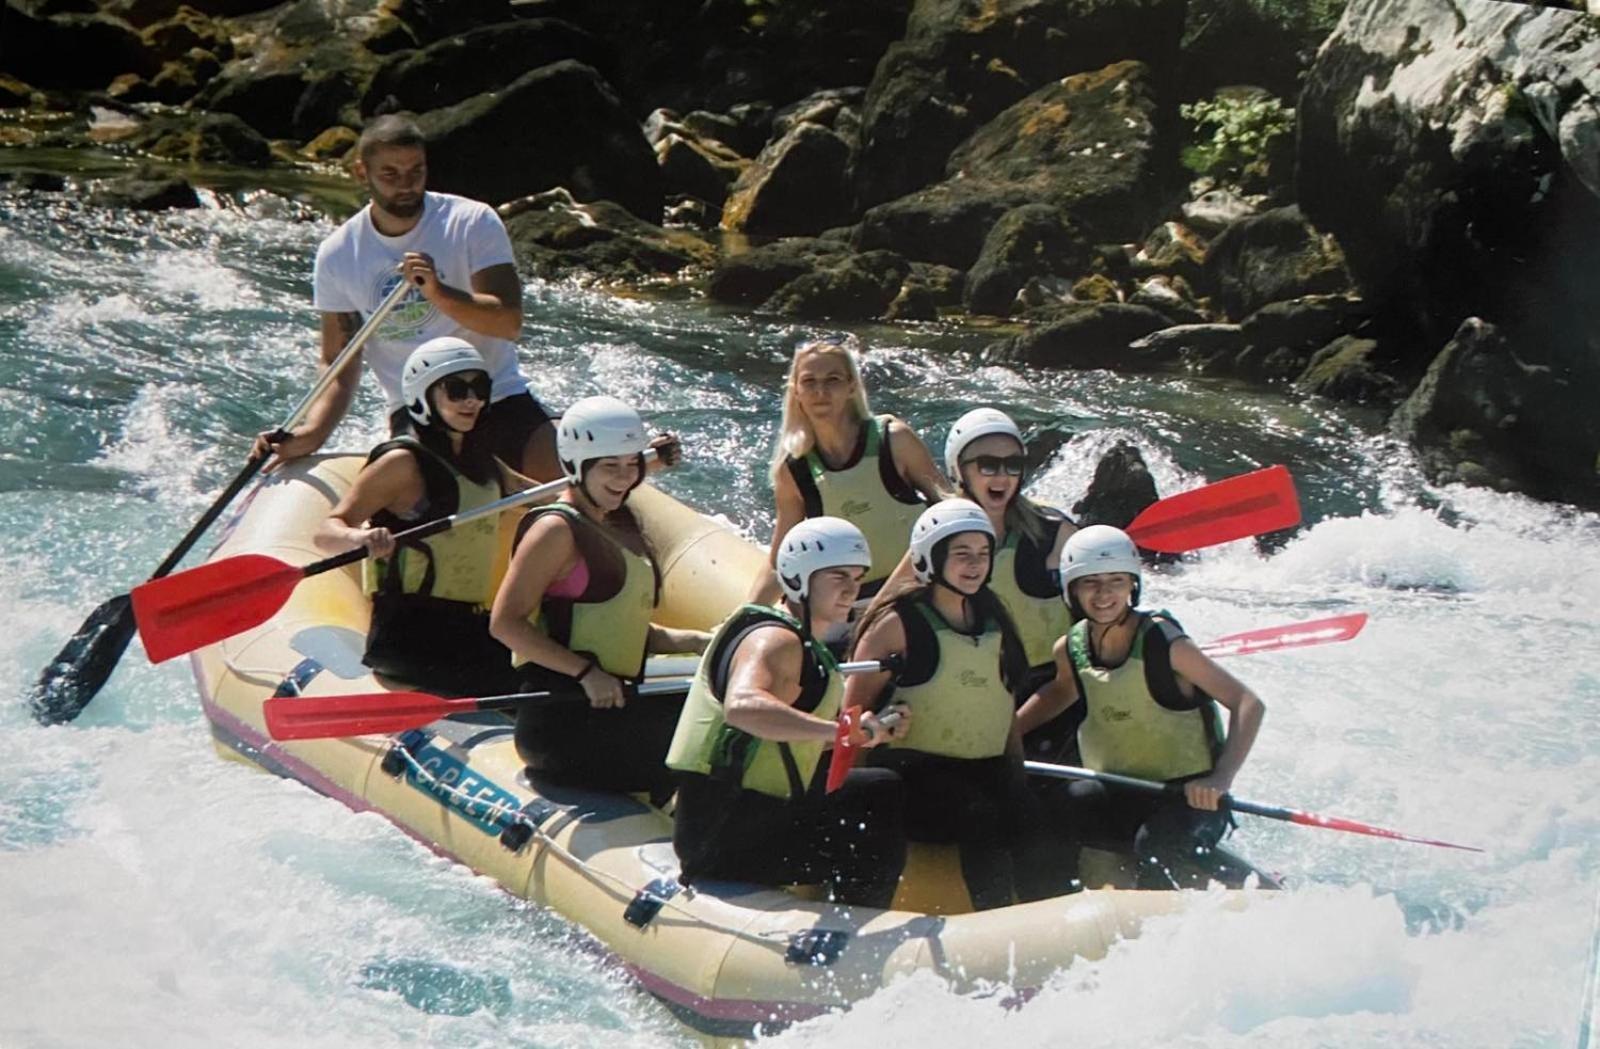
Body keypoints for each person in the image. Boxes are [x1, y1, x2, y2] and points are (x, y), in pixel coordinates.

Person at [255, 114, 559, 480]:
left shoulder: (472, 221)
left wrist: (437, 292)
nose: (406, 185)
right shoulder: (338, 254)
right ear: (360, 173)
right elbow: (339, 361)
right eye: (390, 174)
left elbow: (508, 322)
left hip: (496, 396)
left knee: (561, 481)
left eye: (416, 172)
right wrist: (313, 432)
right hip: (417, 411)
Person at [667, 517, 909, 907]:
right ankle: (855, 933)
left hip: (745, 817)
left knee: (878, 786)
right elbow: (743, 707)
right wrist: (839, 732)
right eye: (837, 577)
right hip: (723, 838)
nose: (852, 590)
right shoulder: (774, 639)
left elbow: (784, 742)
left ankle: (846, 911)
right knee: (879, 798)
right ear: (798, 578)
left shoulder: (798, 639)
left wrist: (869, 730)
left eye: (857, 577)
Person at [1015, 525, 1267, 888]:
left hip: (1188, 797)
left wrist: (1220, 778)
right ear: (1071, 588)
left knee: (1157, 845)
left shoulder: (1165, 644)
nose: (1104, 594)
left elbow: (1248, 703)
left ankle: (1253, 888)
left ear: (1132, 584)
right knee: (1054, 809)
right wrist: (1008, 734)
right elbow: (1060, 691)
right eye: (1091, 583)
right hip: (1121, 788)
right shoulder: (1070, 647)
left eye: (1116, 581)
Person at [847, 499, 1068, 909]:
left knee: (1033, 816)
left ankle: (1058, 923)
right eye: (961, 554)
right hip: (913, 778)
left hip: (980, 769)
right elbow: (851, 716)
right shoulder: (895, 625)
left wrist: (1015, 781)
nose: (975, 564)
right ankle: (997, 925)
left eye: (983, 554)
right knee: (979, 817)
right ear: (931, 559)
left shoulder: (994, 618)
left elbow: (1000, 712)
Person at [489, 395, 708, 797]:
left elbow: (612, 626)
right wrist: (585, 673)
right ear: (575, 465)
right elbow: (505, 623)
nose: (624, 478)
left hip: (612, 709)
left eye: (631, 465)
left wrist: (696, 641)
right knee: (708, 740)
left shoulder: (614, 523)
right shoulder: (555, 531)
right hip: (562, 723)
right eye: (610, 466)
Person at [316, 338, 527, 696]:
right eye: (457, 390)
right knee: (534, 680)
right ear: (424, 395)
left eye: (479, 388)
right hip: (410, 638)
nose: (472, 400)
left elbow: (559, 492)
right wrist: (361, 539)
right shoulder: (402, 463)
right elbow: (327, 531)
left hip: (465, 628)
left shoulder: (483, 464)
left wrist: (644, 462)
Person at [749, 336, 950, 607]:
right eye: (809, 382)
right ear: (796, 391)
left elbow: (950, 508)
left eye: (832, 380)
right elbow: (778, 564)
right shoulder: (795, 471)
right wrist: (745, 616)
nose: (821, 391)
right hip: (847, 608)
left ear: (852, 387)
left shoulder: (894, 440)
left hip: (918, 594)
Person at [942, 407, 1079, 757]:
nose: (1002, 475)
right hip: (971, 695)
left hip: (1051, 697)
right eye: (987, 463)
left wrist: (1011, 731)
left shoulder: (1055, 535)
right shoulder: (936, 536)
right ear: (960, 470)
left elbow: (1097, 635)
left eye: (1013, 464)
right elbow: (891, 608)